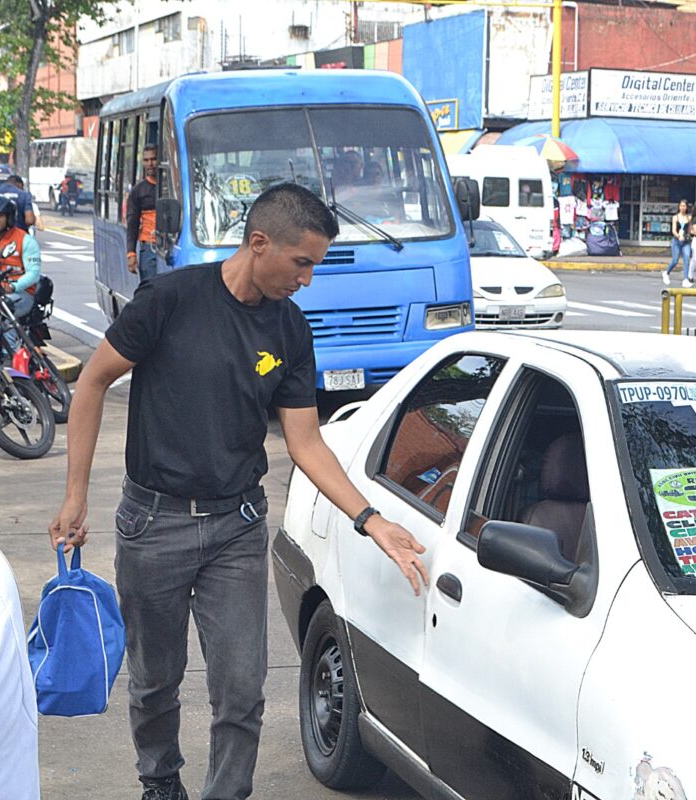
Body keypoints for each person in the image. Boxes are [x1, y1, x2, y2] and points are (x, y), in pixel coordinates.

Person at [48, 184, 430, 800]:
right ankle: (160, 780)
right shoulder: (170, 299)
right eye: (301, 263)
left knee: (242, 689)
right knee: (154, 681)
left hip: (237, 526)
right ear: (259, 243)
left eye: (314, 266)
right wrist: (75, 495)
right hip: (153, 524)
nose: (307, 280)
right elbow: (92, 382)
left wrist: (372, 519)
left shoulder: (290, 329)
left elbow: (306, 442)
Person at [0, 195, 41, 322]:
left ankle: (11, 335)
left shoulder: (25, 241)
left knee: (2, 312)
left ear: (9, 217)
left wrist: (13, 286)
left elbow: (34, 273)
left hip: (19, 293)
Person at [126, 144, 161, 281]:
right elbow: (132, 223)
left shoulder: (171, 187)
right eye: (146, 160)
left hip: (170, 249)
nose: (150, 164)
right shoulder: (138, 191)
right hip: (149, 249)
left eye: (153, 159)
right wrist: (131, 254)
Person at [662, 198, 692, 287]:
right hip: (677, 241)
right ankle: (667, 272)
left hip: (686, 241)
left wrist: (690, 236)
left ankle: (686, 279)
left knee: (686, 258)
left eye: (684, 206)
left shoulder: (689, 218)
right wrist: (679, 236)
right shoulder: (675, 217)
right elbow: (673, 230)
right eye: (681, 206)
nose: (682, 207)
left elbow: (689, 229)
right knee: (675, 260)